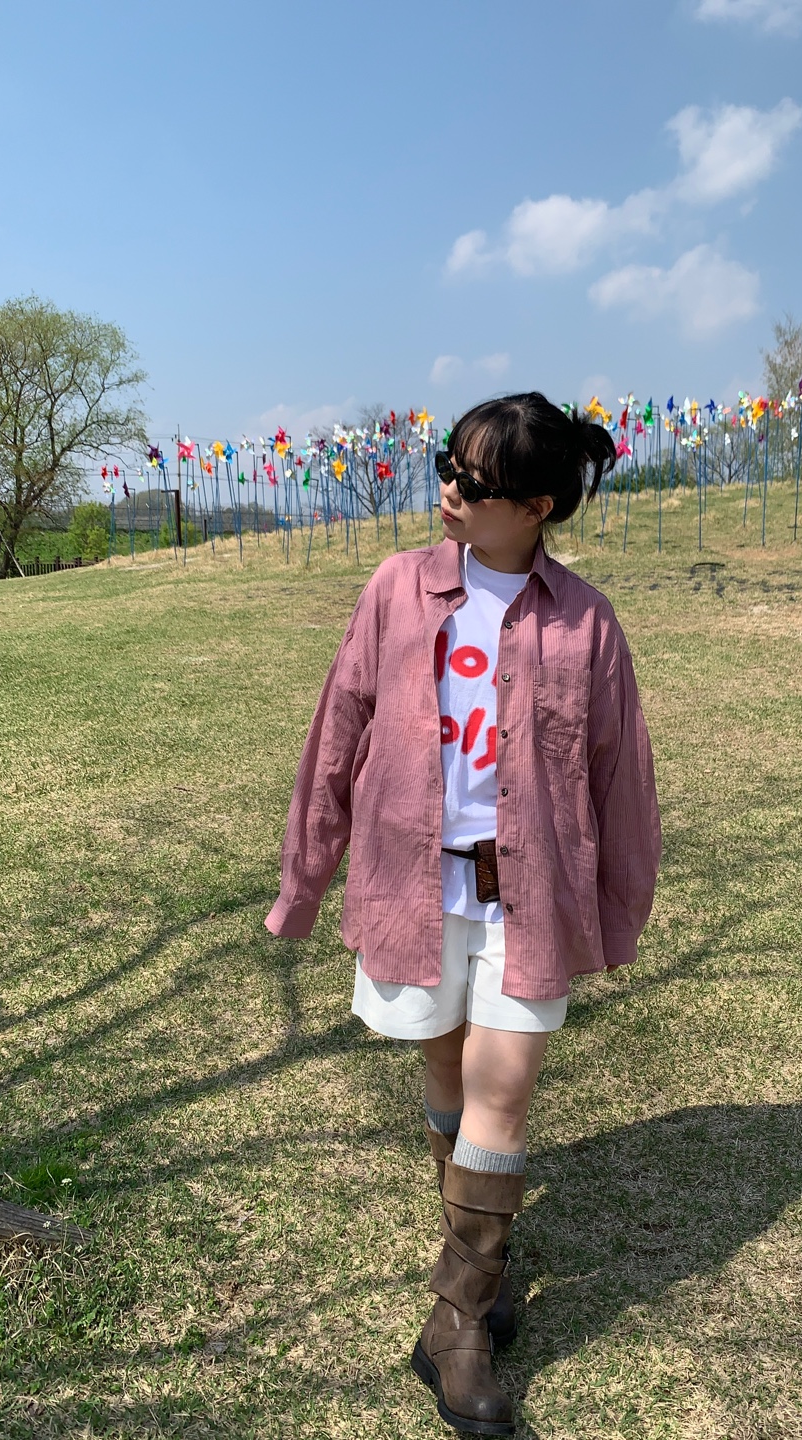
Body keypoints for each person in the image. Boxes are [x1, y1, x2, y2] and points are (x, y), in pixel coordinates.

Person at [265, 392, 662, 1436]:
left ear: (535, 507)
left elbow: (619, 775)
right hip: (412, 885)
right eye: (448, 464)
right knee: (445, 1073)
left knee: (503, 1087)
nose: (448, 488)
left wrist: (616, 908)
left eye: (475, 481)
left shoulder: (585, 621)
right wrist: (303, 880)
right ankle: (478, 1251)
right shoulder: (396, 589)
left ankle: (457, 1321)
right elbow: (339, 730)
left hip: (528, 898)